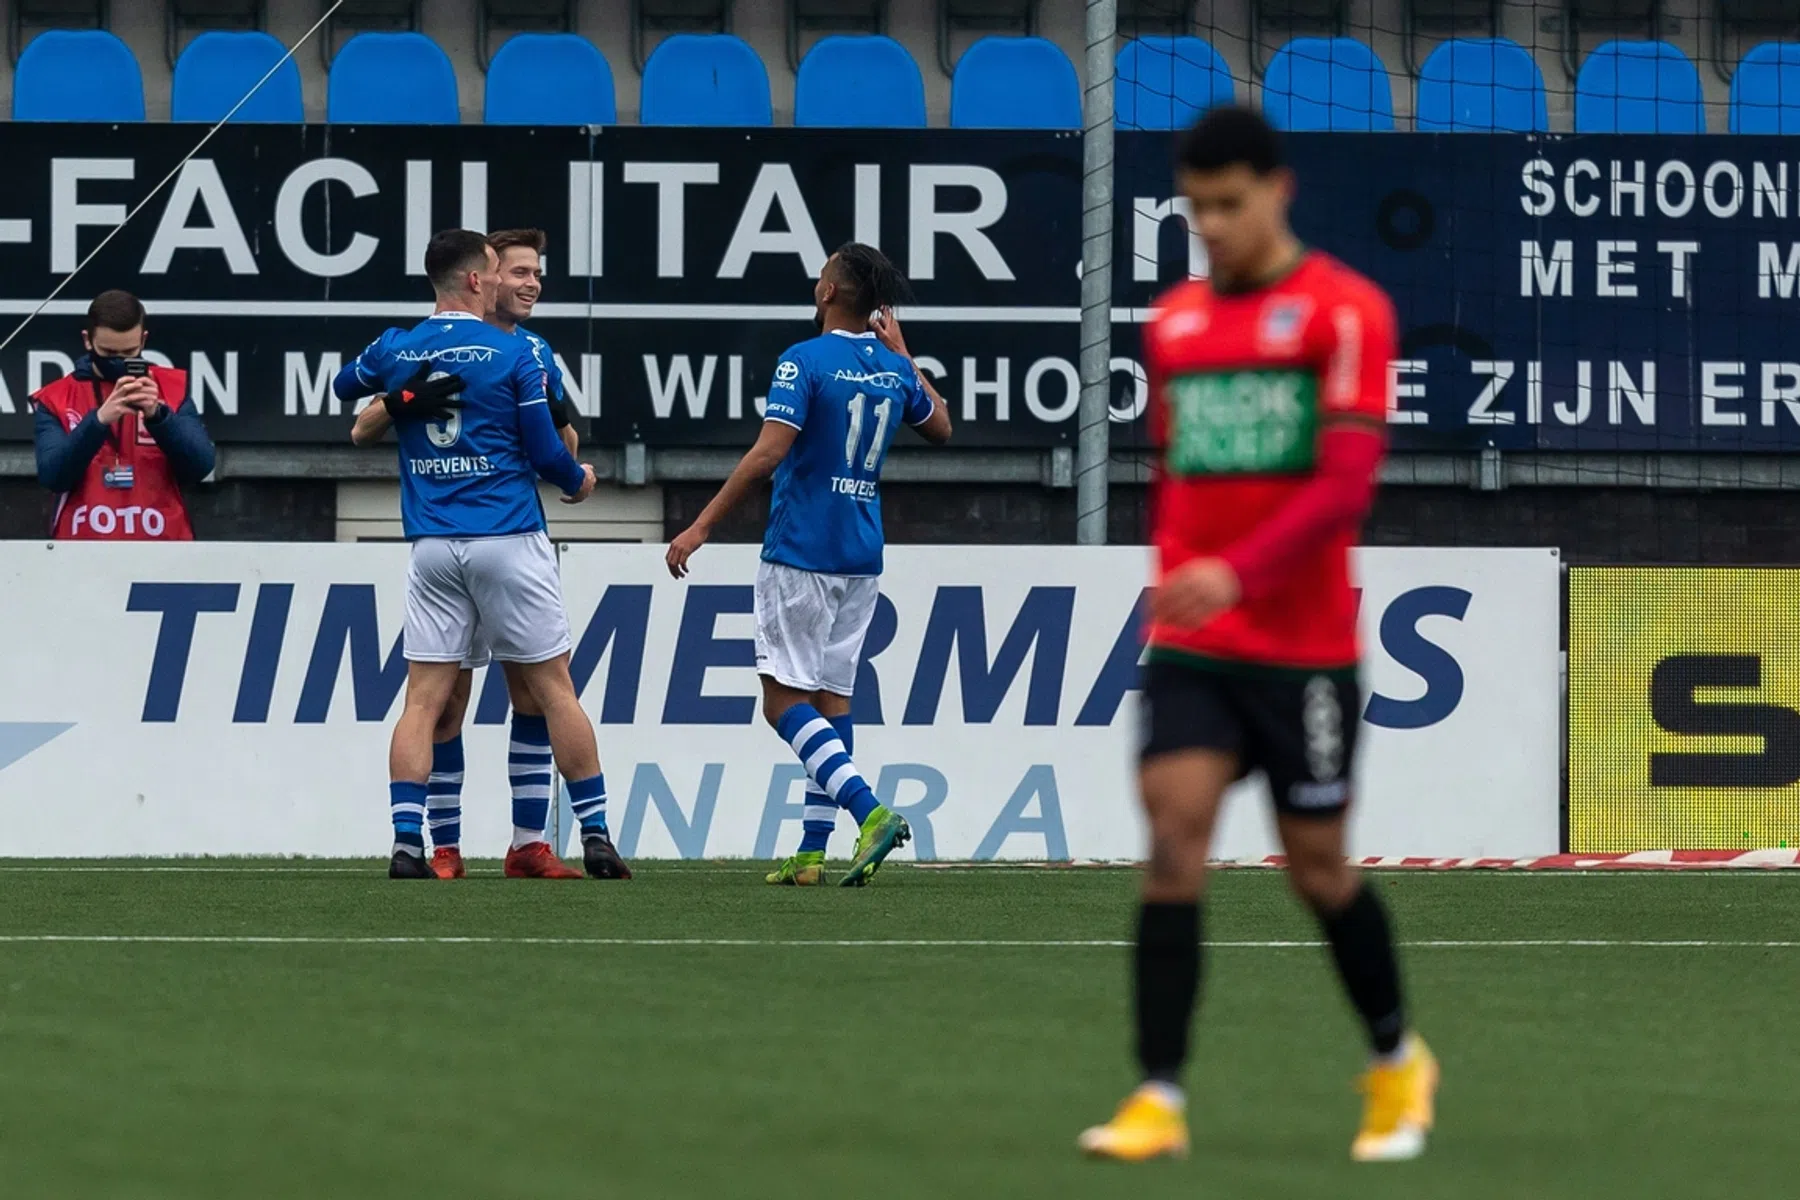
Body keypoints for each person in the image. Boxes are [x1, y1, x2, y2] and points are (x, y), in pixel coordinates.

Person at [1076, 107, 1438, 1164]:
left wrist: (1235, 571)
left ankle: (1396, 1058)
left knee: (1317, 870)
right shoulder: (1176, 322)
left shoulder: (1347, 311)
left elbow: (1343, 488)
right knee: (1172, 842)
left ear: (1279, 191)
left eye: (1230, 204)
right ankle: (1157, 1097)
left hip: (1305, 650)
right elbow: (1184, 477)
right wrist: (1185, 577)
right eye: (1197, 208)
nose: (1213, 226)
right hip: (1198, 646)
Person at [331, 228, 624, 882]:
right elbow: (549, 450)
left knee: (424, 701)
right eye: (504, 271)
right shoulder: (514, 352)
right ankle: (595, 833)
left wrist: (403, 393)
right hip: (507, 535)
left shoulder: (400, 344)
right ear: (475, 279)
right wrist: (578, 482)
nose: (516, 282)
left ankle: (412, 843)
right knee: (554, 690)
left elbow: (345, 386)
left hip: (433, 544)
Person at [666, 243, 953, 886]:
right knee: (831, 701)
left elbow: (768, 455)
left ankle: (870, 812)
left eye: (822, 273)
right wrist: (905, 355)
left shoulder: (804, 360)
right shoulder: (893, 368)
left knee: (781, 703)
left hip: (802, 551)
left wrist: (702, 524)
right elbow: (942, 427)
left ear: (828, 293)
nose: (817, 281)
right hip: (862, 555)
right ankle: (812, 853)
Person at [33, 290, 215, 540]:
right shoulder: (56, 398)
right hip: (82, 548)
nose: (118, 361)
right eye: (108, 353)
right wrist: (98, 421)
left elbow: (200, 467)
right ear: (88, 340)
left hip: (163, 546)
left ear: (143, 340)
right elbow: (53, 477)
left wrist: (159, 417)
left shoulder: (170, 388)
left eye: (129, 352)